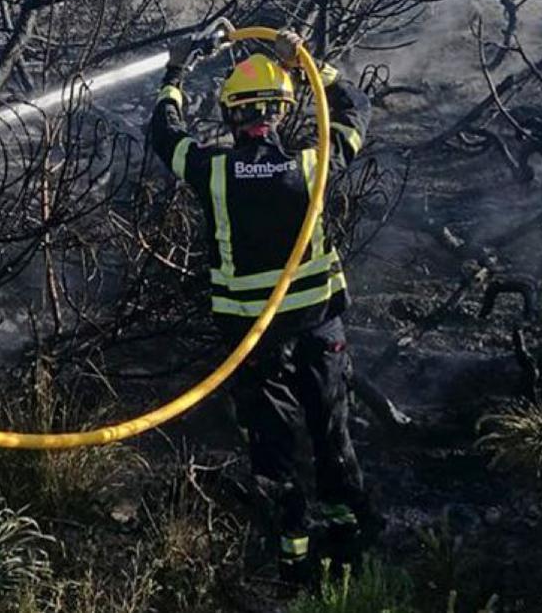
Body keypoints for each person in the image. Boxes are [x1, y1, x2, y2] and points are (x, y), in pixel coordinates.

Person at [147, 29, 376, 580]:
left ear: (230, 115)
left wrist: (175, 72)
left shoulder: (214, 171)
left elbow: (164, 135)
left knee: (272, 443)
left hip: (250, 336)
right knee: (331, 426)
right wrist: (310, 66)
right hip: (320, 324)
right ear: (282, 112)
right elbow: (356, 109)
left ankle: (292, 562)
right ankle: (348, 549)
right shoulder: (312, 164)